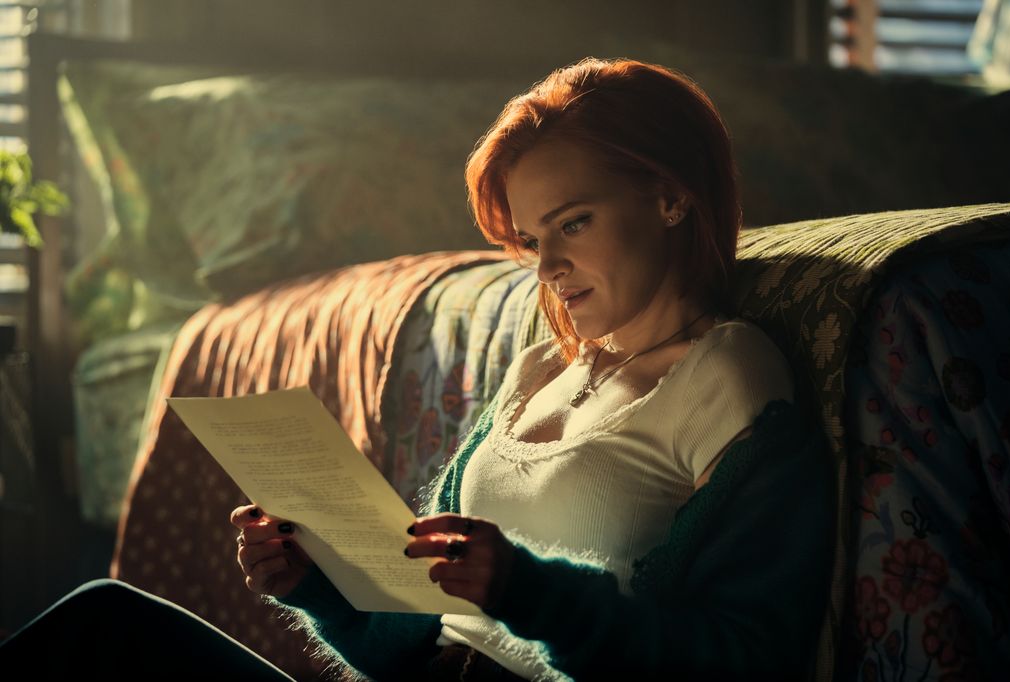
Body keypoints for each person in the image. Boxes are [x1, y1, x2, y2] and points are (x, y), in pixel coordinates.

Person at [0, 57, 833, 681]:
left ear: (670, 196)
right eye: (532, 240)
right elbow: (411, 641)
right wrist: (316, 584)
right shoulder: (539, 366)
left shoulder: (728, 376)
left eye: (574, 224)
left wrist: (533, 594)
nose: (546, 267)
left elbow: (744, 658)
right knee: (103, 624)